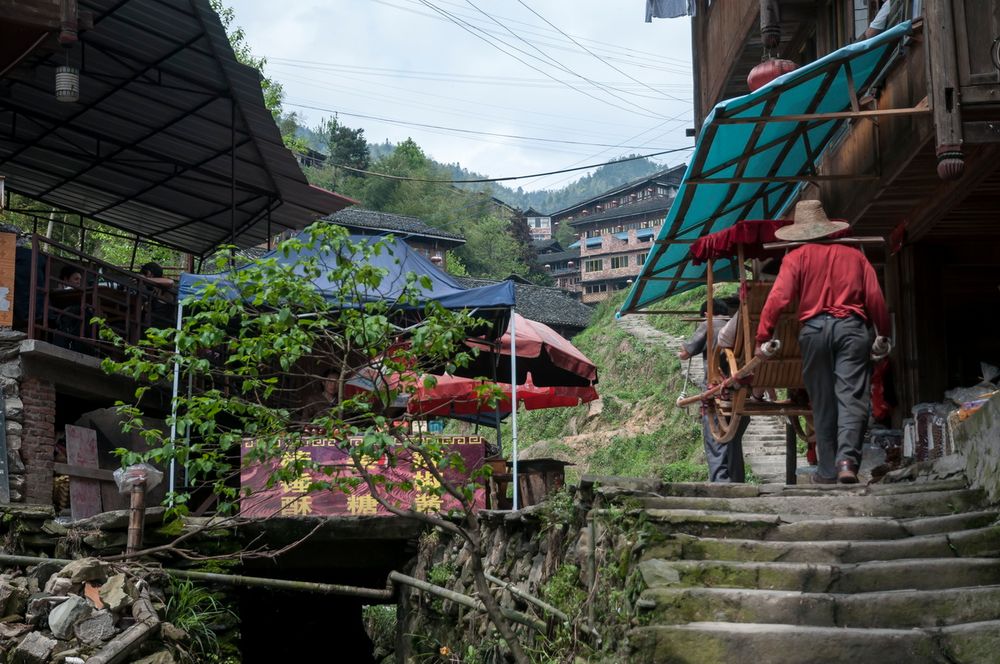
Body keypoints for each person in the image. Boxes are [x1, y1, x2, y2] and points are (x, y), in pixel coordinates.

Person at [755, 200, 890, 484]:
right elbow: (876, 298)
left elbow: (778, 298)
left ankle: (827, 470)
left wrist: (763, 336)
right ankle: (846, 463)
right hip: (853, 331)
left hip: (814, 332)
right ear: (828, 230)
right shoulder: (855, 256)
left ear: (801, 233)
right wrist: (883, 333)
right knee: (852, 398)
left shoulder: (796, 257)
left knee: (822, 400)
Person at [678, 299, 750, 483]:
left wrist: (683, 347)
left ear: (706, 314)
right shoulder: (740, 326)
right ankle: (737, 482)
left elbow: (685, 353)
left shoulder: (709, 324)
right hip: (741, 393)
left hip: (717, 394)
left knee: (716, 440)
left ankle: (721, 483)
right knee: (733, 441)